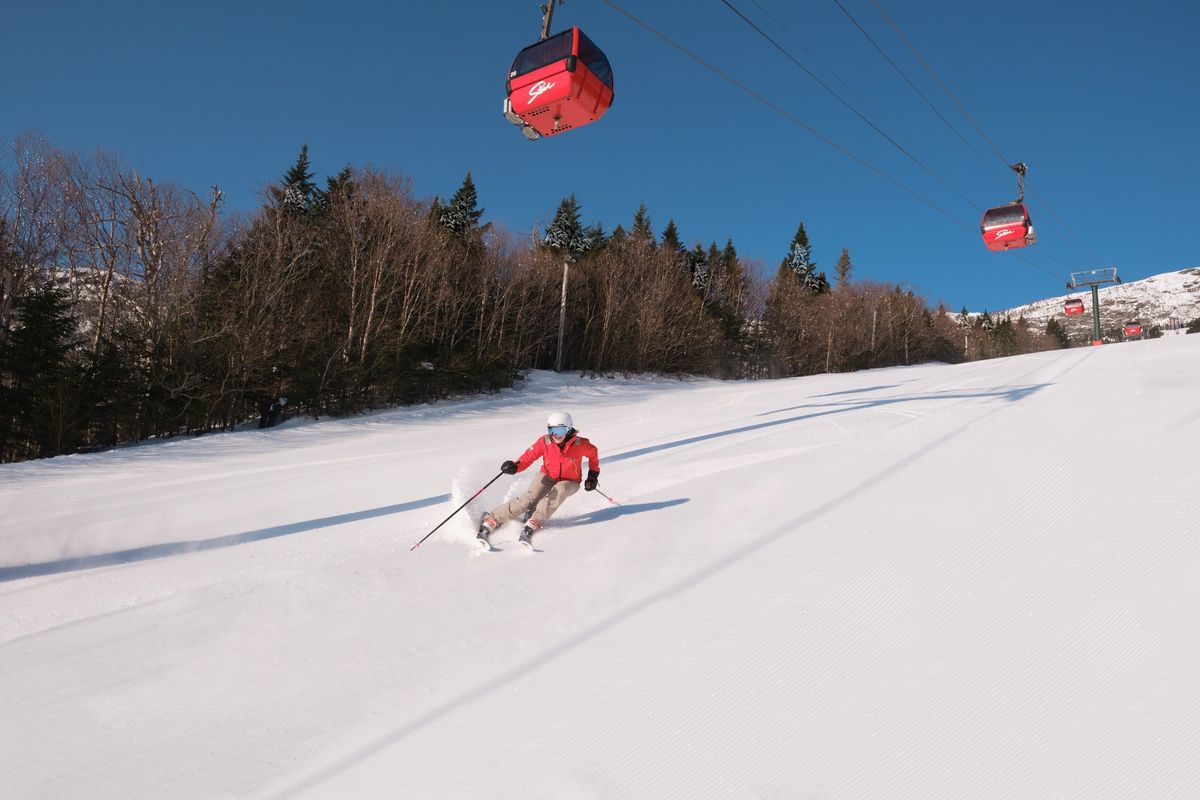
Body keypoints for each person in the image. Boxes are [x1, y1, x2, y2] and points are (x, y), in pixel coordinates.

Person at [477, 411, 600, 550]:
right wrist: (515, 466)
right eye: (552, 430)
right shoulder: (545, 441)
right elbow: (528, 457)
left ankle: (534, 521)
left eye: (560, 430)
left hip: (570, 481)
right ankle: (492, 519)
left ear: (569, 428)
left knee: (558, 493)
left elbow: (593, 454)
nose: (556, 435)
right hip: (547, 475)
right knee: (528, 499)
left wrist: (593, 476)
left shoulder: (580, 444)